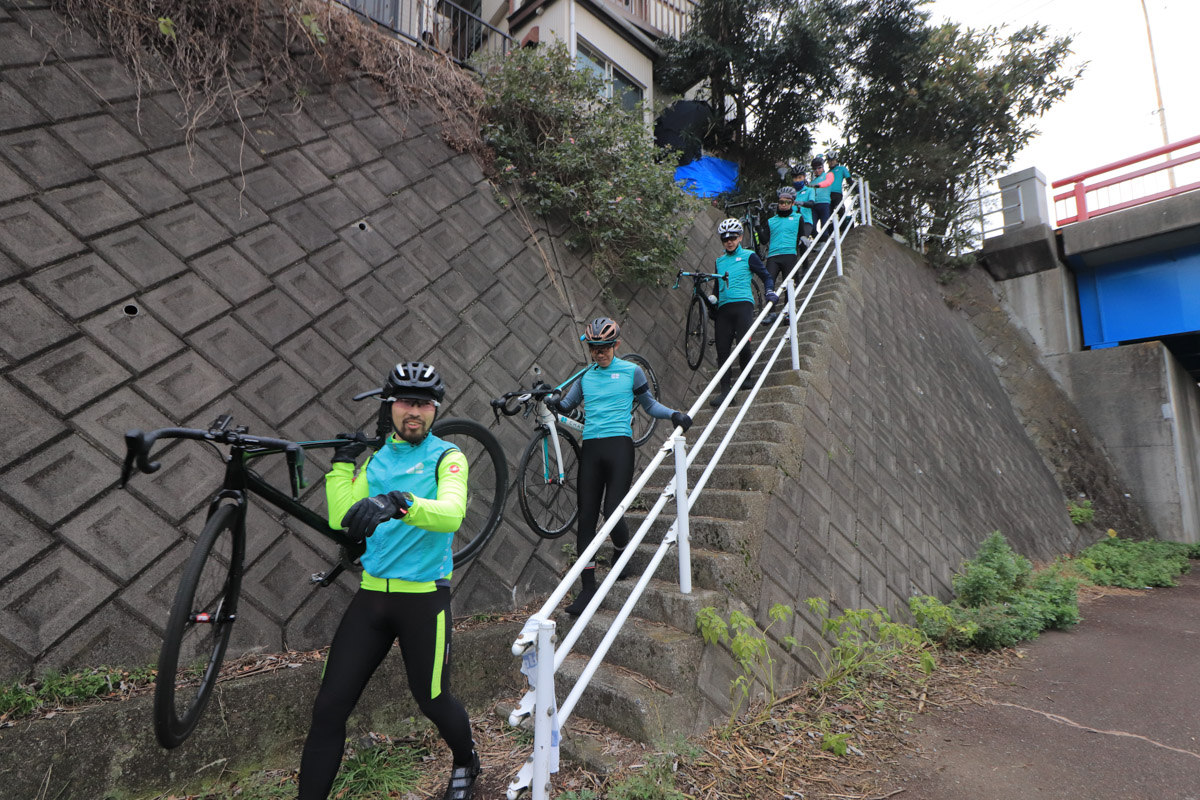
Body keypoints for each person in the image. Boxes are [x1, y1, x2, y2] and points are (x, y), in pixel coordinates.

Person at [299, 362, 479, 800]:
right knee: (328, 709)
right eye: (405, 403)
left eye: (422, 404)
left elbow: (452, 512)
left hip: (424, 600)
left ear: (434, 410)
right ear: (390, 407)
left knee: (433, 700)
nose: (413, 412)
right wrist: (342, 467)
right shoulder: (377, 460)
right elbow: (344, 518)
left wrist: (401, 503)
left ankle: (466, 759)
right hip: (372, 600)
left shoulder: (448, 457)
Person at [547, 318, 692, 616]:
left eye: (603, 348)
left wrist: (674, 414)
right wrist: (552, 399)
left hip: (620, 447)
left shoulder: (632, 372)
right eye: (593, 348)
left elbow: (649, 405)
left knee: (612, 510)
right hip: (592, 449)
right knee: (586, 517)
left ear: (616, 345)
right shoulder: (585, 377)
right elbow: (565, 405)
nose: (598, 354)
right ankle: (588, 588)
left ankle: (621, 553)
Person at [709, 219, 777, 408]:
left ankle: (747, 377)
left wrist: (770, 290)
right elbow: (716, 286)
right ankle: (725, 392)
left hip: (743, 305)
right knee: (722, 350)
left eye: (732, 237)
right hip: (724, 309)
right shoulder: (719, 261)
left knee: (743, 344)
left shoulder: (749, 256)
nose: (729, 241)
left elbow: (766, 276)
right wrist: (712, 301)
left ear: (739, 237)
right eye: (725, 239)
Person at [761, 186, 804, 320]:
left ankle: (788, 313)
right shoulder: (771, 221)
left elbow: (801, 238)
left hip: (790, 254)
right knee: (769, 283)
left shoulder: (798, 218)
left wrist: (804, 262)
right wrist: (757, 227)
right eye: (781, 202)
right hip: (773, 256)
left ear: (792, 203)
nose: (783, 205)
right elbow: (763, 240)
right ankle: (771, 312)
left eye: (787, 202)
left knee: (790, 284)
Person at [808, 155, 834, 238]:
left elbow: (828, 182)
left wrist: (818, 185)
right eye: (815, 169)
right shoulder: (812, 182)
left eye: (819, 168)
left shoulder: (828, 175)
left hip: (825, 203)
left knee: (824, 226)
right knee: (812, 226)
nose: (817, 170)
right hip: (814, 205)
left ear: (823, 167)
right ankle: (819, 240)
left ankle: (824, 241)